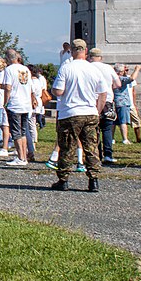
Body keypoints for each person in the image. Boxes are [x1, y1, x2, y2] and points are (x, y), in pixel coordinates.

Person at [50, 39, 107, 192]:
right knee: (91, 147)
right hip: (90, 112)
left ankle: (64, 179)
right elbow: (103, 93)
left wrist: (54, 91)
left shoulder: (66, 68)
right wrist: (97, 110)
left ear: (72, 51)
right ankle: (93, 180)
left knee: (67, 147)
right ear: (86, 51)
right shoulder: (94, 69)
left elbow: (59, 91)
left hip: (70, 112)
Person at [0, 49, 36, 167]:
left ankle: (20, 157)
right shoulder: (25, 69)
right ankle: (24, 156)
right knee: (23, 131)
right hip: (25, 104)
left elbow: (8, 88)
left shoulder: (9, 70)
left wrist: (5, 102)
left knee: (16, 132)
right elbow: (30, 87)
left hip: (15, 103)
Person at [88, 49, 121, 164]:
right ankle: (108, 154)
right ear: (101, 57)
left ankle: (97, 154)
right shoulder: (108, 68)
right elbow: (118, 84)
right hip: (107, 101)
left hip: (92, 101)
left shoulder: (88, 67)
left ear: (89, 56)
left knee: (94, 129)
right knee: (107, 129)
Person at [113, 63, 141, 146]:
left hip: (114, 102)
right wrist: (137, 69)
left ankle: (111, 139)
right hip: (123, 103)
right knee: (123, 122)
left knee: (113, 122)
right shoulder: (121, 79)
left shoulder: (112, 78)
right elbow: (132, 78)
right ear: (120, 71)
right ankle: (125, 139)